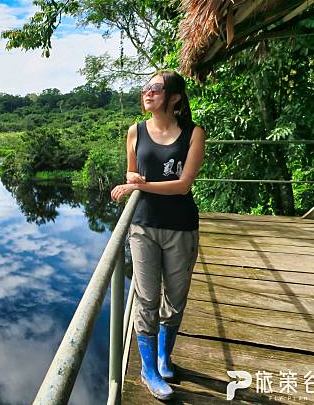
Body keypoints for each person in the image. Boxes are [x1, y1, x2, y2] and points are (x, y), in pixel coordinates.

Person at [111, 70, 205, 400]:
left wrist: (141, 184)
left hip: (181, 227)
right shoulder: (135, 131)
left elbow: (183, 186)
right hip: (143, 226)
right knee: (147, 299)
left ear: (174, 97)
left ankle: (165, 357)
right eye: (146, 88)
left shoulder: (193, 134)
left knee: (175, 301)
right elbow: (131, 171)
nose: (147, 92)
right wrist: (132, 180)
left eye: (155, 88)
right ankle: (148, 369)